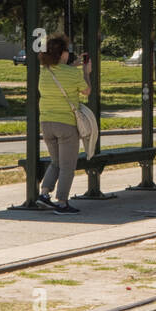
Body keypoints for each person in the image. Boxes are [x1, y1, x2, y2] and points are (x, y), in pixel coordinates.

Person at [35, 33, 91, 215]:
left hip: (46, 123)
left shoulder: (44, 71)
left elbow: (60, 72)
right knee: (68, 166)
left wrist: (74, 68)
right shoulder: (73, 74)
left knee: (56, 162)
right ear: (62, 54)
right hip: (66, 124)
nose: (69, 53)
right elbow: (86, 91)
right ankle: (61, 202)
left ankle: (44, 193)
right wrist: (85, 72)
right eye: (67, 50)